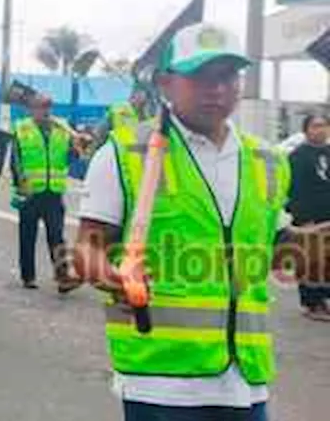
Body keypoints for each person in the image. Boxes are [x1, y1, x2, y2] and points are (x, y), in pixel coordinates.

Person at [74, 23, 298, 421]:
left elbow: (280, 247)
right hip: (161, 382)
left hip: (246, 379)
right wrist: (115, 278)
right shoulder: (126, 154)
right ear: (166, 83)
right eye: (200, 77)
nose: (216, 89)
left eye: (227, 76)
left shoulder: (267, 160)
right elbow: (85, 249)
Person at [10, 93, 84, 293]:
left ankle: (62, 277)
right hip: (30, 193)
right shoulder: (21, 129)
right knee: (27, 236)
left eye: (48, 107)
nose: (45, 111)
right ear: (31, 109)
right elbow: (15, 159)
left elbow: (69, 157)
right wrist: (20, 184)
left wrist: (77, 149)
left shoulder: (62, 128)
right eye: (41, 107)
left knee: (57, 236)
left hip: (53, 192)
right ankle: (28, 277)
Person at [286, 113, 330, 321]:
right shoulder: (297, 157)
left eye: (324, 126)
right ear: (306, 130)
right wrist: (302, 218)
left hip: (328, 216)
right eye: (315, 126)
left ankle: (324, 300)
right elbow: (293, 190)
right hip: (308, 220)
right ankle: (312, 303)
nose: (320, 130)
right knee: (311, 260)